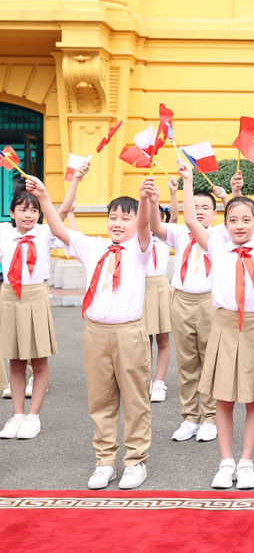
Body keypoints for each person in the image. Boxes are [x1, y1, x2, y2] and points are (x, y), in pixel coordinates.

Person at [172, 156, 254, 490]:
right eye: (233, 220)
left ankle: (247, 461)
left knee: (253, 399)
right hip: (223, 327)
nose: (239, 225)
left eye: (246, 220)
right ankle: (226, 461)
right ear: (224, 224)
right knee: (223, 399)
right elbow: (192, 222)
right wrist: (187, 181)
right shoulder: (216, 247)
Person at [28, 175, 153, 490]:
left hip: (128, 332)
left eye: (126, 217)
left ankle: (136, 461)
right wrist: (44, 195)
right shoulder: (94, 247)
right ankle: (105, 461)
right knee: (101, 399)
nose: (118, 223)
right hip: (95, 332)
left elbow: (145, 227)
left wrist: (145, 199)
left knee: (135, 399)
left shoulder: (140, 247)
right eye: (113, 217)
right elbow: (58, 229)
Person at [0, 164, 86, 440]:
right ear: (11, 213)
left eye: (34, 210)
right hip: (9, 297)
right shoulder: (4, 233)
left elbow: (64, 209)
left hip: (36, 296)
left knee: (38, 361)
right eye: (23, 209)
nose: (29, 214)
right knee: (14, 360)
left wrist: (75, 179)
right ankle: (17, 415)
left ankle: (34, 416)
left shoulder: (46, 233)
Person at [150, 183, 222, 443]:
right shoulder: (179, 232)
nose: (200, 212)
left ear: (215, 213)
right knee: (187, 363)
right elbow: (156, 228)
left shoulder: (221, 235)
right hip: (181, 299)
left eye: (206, 208)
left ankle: (211, 417)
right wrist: (154, 199)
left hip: (209, 302)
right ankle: (190, 417)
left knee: (210, 361)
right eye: (196, 207)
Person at [146, 185, 177, 404]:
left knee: (163, 338)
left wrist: (173, 193)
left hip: (161, 287)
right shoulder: (135, 238)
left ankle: (159, 382)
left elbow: (174, 216)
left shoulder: (166, 236)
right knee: (143, 340)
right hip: (141, 289)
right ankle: (145, 380)